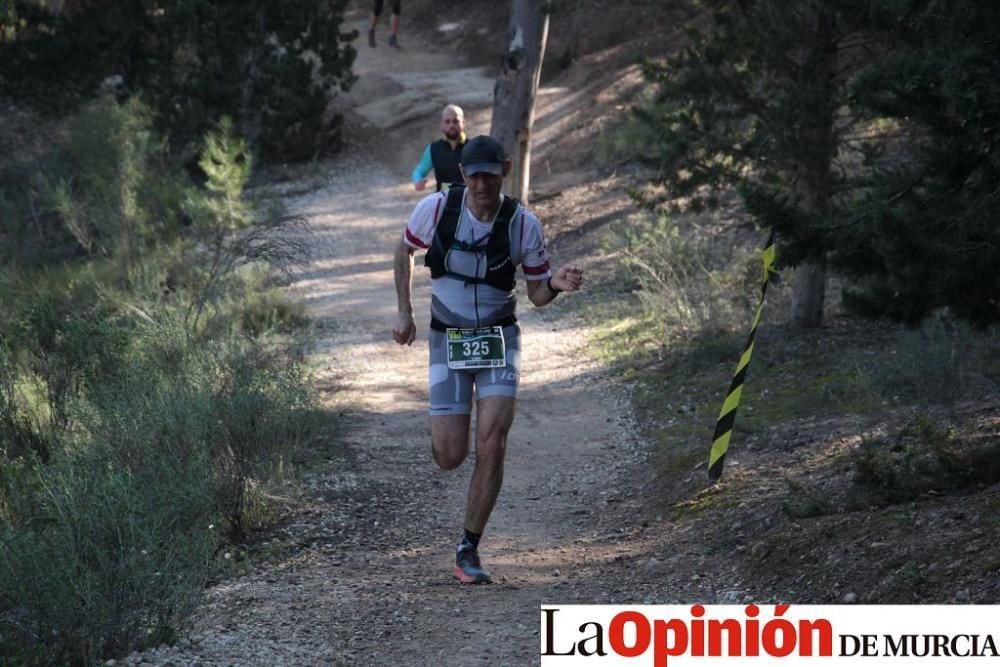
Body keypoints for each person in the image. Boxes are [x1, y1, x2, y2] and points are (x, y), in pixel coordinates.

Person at [392, 135, 584, 584]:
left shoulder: (523, 225)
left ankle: (468, 548)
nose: (482, 183)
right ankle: (448, 431)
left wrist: (554, 282)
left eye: (490, 174)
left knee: (493, 441)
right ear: (462, 174)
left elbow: (536, 294)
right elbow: (403, 250)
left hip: (500, 337)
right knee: (450, 454)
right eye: (474, 174)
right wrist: (405, 311)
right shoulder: (437, 209)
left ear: (505, 171)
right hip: (447, 336)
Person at [412, 105, 467, 192]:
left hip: (468, 199)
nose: (451, 125)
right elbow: (419, 171)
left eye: (456, 121)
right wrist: (417, 181)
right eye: (447, 121)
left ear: (463, 123)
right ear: (441, 124)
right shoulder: (434, 148)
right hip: (442, 200)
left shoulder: (472, 147)